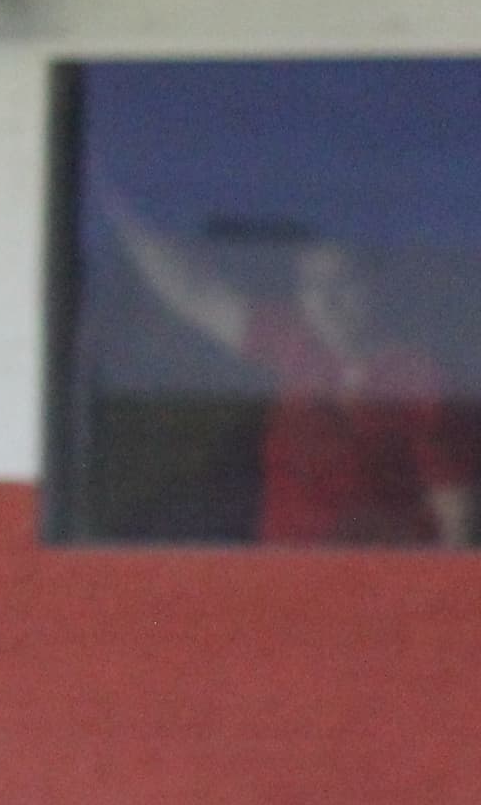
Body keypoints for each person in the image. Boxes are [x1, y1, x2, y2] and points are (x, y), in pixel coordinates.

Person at [98, 191, 479, 546]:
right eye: (313, 285)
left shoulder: (422, 378)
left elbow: (456, 519)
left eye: (343, 281)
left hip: (372, 590)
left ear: (374, 285)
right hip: (283, 581)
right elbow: (194, 292)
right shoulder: (297, 344)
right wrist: (113, 208)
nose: (327, 299)